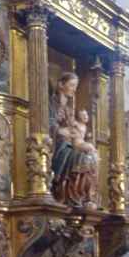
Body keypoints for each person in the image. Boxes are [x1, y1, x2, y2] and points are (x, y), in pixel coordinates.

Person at [49, 72, 99, 207]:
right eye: (71, 85)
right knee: (81, 159)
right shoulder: (50, 104)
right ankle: (72, 198)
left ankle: (88, 198)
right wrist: (58, 130)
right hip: (57, 146)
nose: (74, 89)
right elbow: (44, 121)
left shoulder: (70, 110)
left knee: (91, 160)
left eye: (75, 87)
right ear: (60, 84)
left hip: (71, 145)